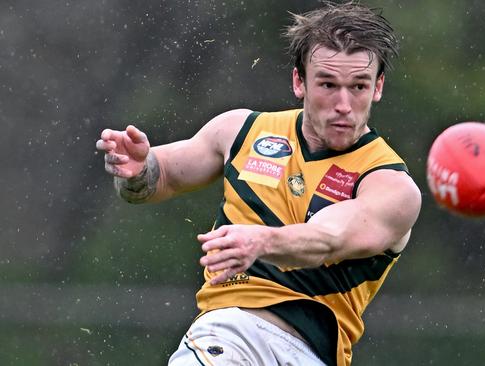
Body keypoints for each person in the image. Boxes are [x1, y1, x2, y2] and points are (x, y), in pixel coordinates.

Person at [96, 2, 421, 365]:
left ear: (377, 87)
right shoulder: (241, 130)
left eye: (358, 86)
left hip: (311, 355)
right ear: (299, 81)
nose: (343, 103)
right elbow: (160, 178)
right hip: (232, 334)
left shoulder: (391, 184)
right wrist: (138, 169)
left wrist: (262, 241)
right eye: (328, 84)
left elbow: (330, 239)